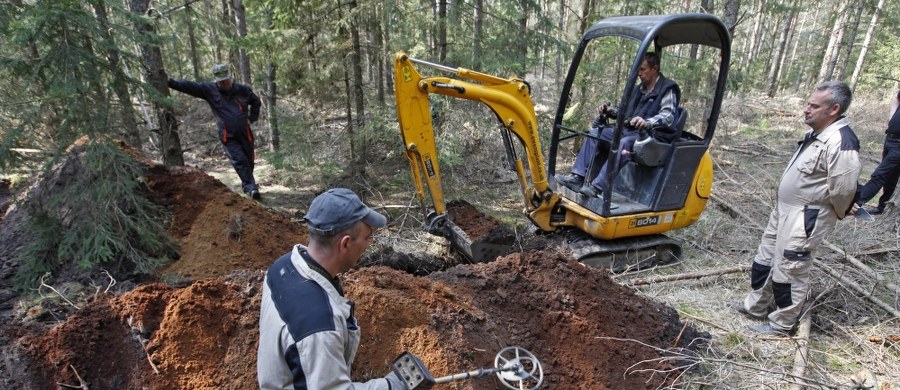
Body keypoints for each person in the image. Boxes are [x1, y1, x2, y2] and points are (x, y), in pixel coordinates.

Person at [733, 81, 861, 335]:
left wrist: (838, 211)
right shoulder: (816, 135)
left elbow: (844, 188)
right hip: (784, 210)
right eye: (808, 104)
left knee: (791, 269)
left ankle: (781, 324)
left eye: (814, 106)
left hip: (806, 216)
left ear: (834, 109)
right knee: (765, 259)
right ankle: (755, 307)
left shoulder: (841, 141)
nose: (806, 109)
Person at [257, 188, 407, 389]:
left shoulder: (282, 267)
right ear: (345, 244)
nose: (368, 245)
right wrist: (390, 386)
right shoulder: (320, 326)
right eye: (367, 238)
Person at [556, 52, 681, 198]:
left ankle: (596, 187)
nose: (639, 73)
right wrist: (610, 111)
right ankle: (577, 177)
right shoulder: (639, 90)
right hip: (630, 131)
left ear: (654, 69)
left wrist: (647, 122)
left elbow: (668, 115)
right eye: (638, 70)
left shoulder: (668, 88)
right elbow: (625, 113)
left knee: (624, 143)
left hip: (651, 138)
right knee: (595, 133)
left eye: (642, 69)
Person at [168, 64, 262, 200]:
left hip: (245, 133)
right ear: (216, 80)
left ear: (230, 78)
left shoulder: (242, 90)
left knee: (249, 160)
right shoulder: (209, 90)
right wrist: (171, 82)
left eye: (226, 80)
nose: (224, 83)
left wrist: (251, 118)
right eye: (221, 81)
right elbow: (190, 86)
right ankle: (252, 188)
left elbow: (256, 102)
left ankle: (247, 184)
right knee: (239, 160)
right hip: (227, 135)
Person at [851, 90, 900, 216]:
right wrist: (892, 117)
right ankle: (882, 207)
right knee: (891, 177)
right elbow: (897, 98)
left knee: (880, 175)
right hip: (890, 138)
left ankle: (855, 203)